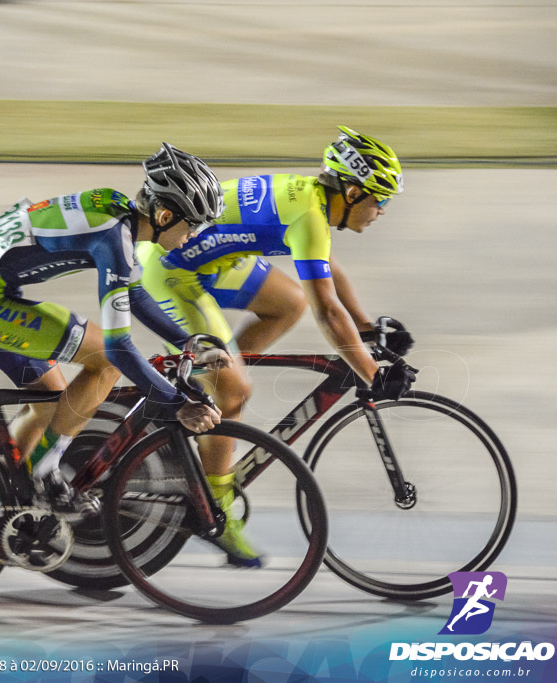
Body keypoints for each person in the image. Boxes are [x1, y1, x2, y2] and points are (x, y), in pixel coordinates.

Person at [0, 143, 255, 553]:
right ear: (164, 215)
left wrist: (186, 340)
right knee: (104, 361)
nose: (195, 234)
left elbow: (135, 295)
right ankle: (46, 477)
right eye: (192, 225)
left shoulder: (120, 214)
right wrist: (175, 403)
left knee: (53, 406)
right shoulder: (112, 238)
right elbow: (120, 349)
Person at [136, 126, 418, 563]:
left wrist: (363, 326)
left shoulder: (313, 201)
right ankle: (216, 512)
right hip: (172, 271)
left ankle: (210, 385)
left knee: (287, 303)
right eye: (380, 199)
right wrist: (373, 372)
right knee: (235, 391)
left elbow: (322, 264)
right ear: (354, 190)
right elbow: (327, 311)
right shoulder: (309, 213)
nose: (382, 211)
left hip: (210, 260)